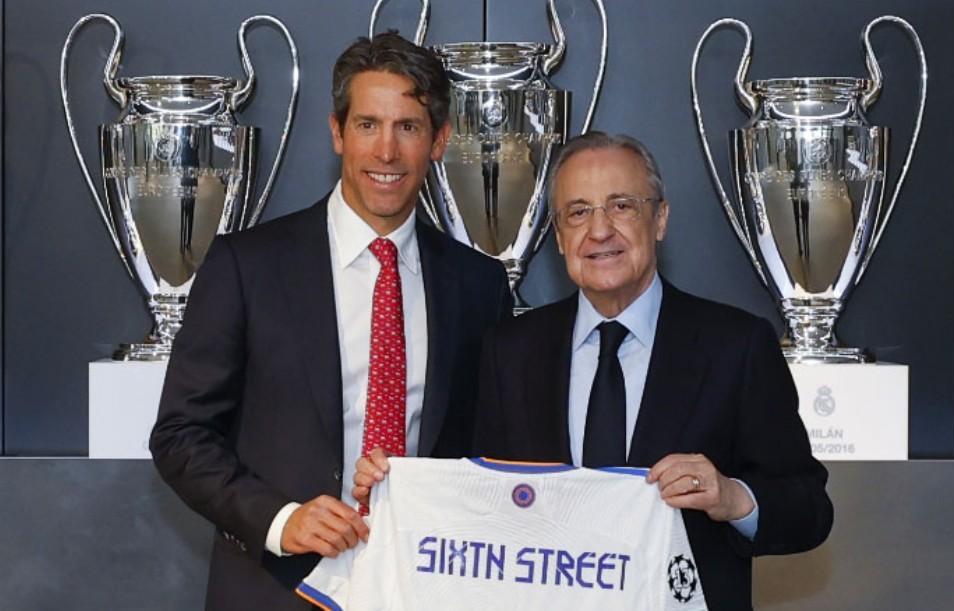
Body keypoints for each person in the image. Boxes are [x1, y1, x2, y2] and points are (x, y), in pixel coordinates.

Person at [356, 131, 832, 611]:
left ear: (660, 219)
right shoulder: (510, 351)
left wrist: (733, 498)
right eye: (578, 212)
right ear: (560, 237)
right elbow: (473, 500)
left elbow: (809, 510)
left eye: (622, 206)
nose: (600, 230)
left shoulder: (737, 345)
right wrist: (396, 485)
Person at [150, 31, 511, 610]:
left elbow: (491, 453)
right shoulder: (247, 266)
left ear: (440, 141)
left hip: (422, 590)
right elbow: (179, 436)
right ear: (338, 132)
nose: (386, 152)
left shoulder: (478, 285)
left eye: (409, 127)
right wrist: (280, 519)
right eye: (368, 125)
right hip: (273, 590)